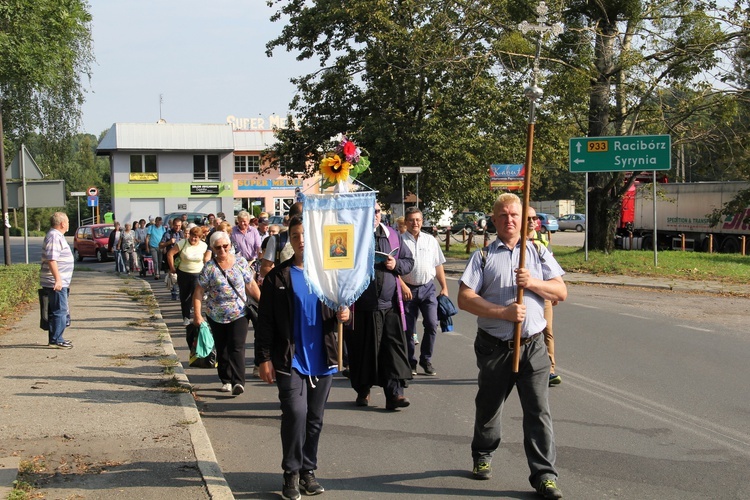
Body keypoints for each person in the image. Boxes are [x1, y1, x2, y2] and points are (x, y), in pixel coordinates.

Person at [457, 193, 567, 499]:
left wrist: (532, 283)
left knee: (538, 411)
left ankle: (544, 475)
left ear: (524, 219)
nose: (510, 220)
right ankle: (483, 453)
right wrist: (502, 313)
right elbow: (465, 298)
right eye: (503, 215)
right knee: (490, 407)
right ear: (494, 220)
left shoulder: (537, 253)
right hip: (495, 347)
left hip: (533, 347)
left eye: (515, 215)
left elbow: (560, 291)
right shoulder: (482, 257)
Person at [256, 215, 350, 500]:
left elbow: (339, 313)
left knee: (315, 419)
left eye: (304, 235)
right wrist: (264, 358)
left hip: (322, 357)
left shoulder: (327, 275)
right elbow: (265, 322)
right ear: (290, 240)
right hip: (290, 359)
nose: (300, 241)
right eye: (295, 236)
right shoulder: (278, 277)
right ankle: (291, 473)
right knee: (295, 414)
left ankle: (308, 471)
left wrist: (344, 314)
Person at [346, 202, 414, 410]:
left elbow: (409, 261)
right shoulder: (352, 235)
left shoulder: (392, 235)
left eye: (376, 211)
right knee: (363, 352)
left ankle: (394, 394)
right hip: (361, 307)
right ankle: (363, 391)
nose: (374, 215)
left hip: (389, 306)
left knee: (392, 351)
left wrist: (397, 265)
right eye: (369, 211)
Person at [194, 231, 261, 396]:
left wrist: (264, 304)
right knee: (222, 348)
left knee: (237, 346)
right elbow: (198, 292)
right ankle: (226, 380)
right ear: (213, 248)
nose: (223, 250)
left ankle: (238, 382)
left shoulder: (240, 262)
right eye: (218, 247)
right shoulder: (209, 267)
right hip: (216, 314)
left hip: (239, 312)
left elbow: (250, 285)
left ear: (230, 245)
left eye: (225, 246)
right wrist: (197, 314)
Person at [400, 206, 448, 376]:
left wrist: (445, 287)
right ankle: (410, 362)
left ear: (422, 221)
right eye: (412, 220)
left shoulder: (430, 240)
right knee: (409, 329)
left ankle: (426, 360)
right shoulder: (399, 241)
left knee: (432, 324)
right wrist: (403, 286)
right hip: (407, 290)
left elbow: (438, 264)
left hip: (428, 288)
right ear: (406, 222)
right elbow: (393, 269)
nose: (415, 223)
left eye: (418, 220)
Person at [527, 206, 560, 386]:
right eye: (528, 219)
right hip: (524, 295)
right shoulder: (514, 241)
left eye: (534, 218)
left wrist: (554, 290)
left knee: (547, 331)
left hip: (543, 292)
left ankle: (551, 370)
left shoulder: (543, 240)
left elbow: (553, 267)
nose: (532, 222)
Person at [40, 212, 75, 349]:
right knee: (59, 310)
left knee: (57, 310)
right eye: (67, 222)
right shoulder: (54, 236)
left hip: (59, 281)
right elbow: (52, 259)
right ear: (62, 223)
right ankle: (56, 340)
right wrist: (58, 279)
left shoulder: (56, 236)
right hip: (55, 282)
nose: (68, 224)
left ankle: (55, 338)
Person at [167, 225, 210, 326]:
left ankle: (197, 316)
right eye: (192, 236)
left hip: (198, 273)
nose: (193, 238)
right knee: (185, 296)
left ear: (200, 237)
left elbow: (207, 259)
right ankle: (186, 317)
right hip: (183, 273)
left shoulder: (204, 246)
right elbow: (170, 254)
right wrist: (172, 268)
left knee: (196, 296)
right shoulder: (183, 243)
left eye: (196, 237)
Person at [260, 202, 303, 278]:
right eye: (299, 219)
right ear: (290, 220)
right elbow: (264, 269)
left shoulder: (314, 239)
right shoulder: (276, 240)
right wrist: (283, 280)